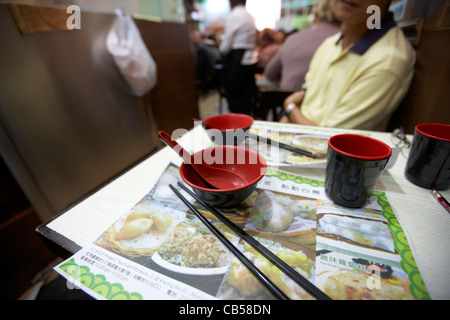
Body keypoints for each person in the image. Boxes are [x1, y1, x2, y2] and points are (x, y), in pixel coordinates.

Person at [280, 0, 416, 131]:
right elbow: (303, 101)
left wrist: (290, 107)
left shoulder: (388, 61)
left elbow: (331, 140)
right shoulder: (330, 43)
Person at [264, 0, 341, 91]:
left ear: (314, 18)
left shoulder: (292, 39)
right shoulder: (347, 41)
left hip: (288, 101)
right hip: (329, 102)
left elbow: (270, 74)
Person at [219, 0, 258, 115]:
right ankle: (246, 124)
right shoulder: (249, 16)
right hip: (251, 59)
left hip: (238, 59)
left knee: (233, 94)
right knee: (247, 95)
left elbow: (226, 46)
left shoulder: (234, 15)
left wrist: (221, 47)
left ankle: (238, 126)